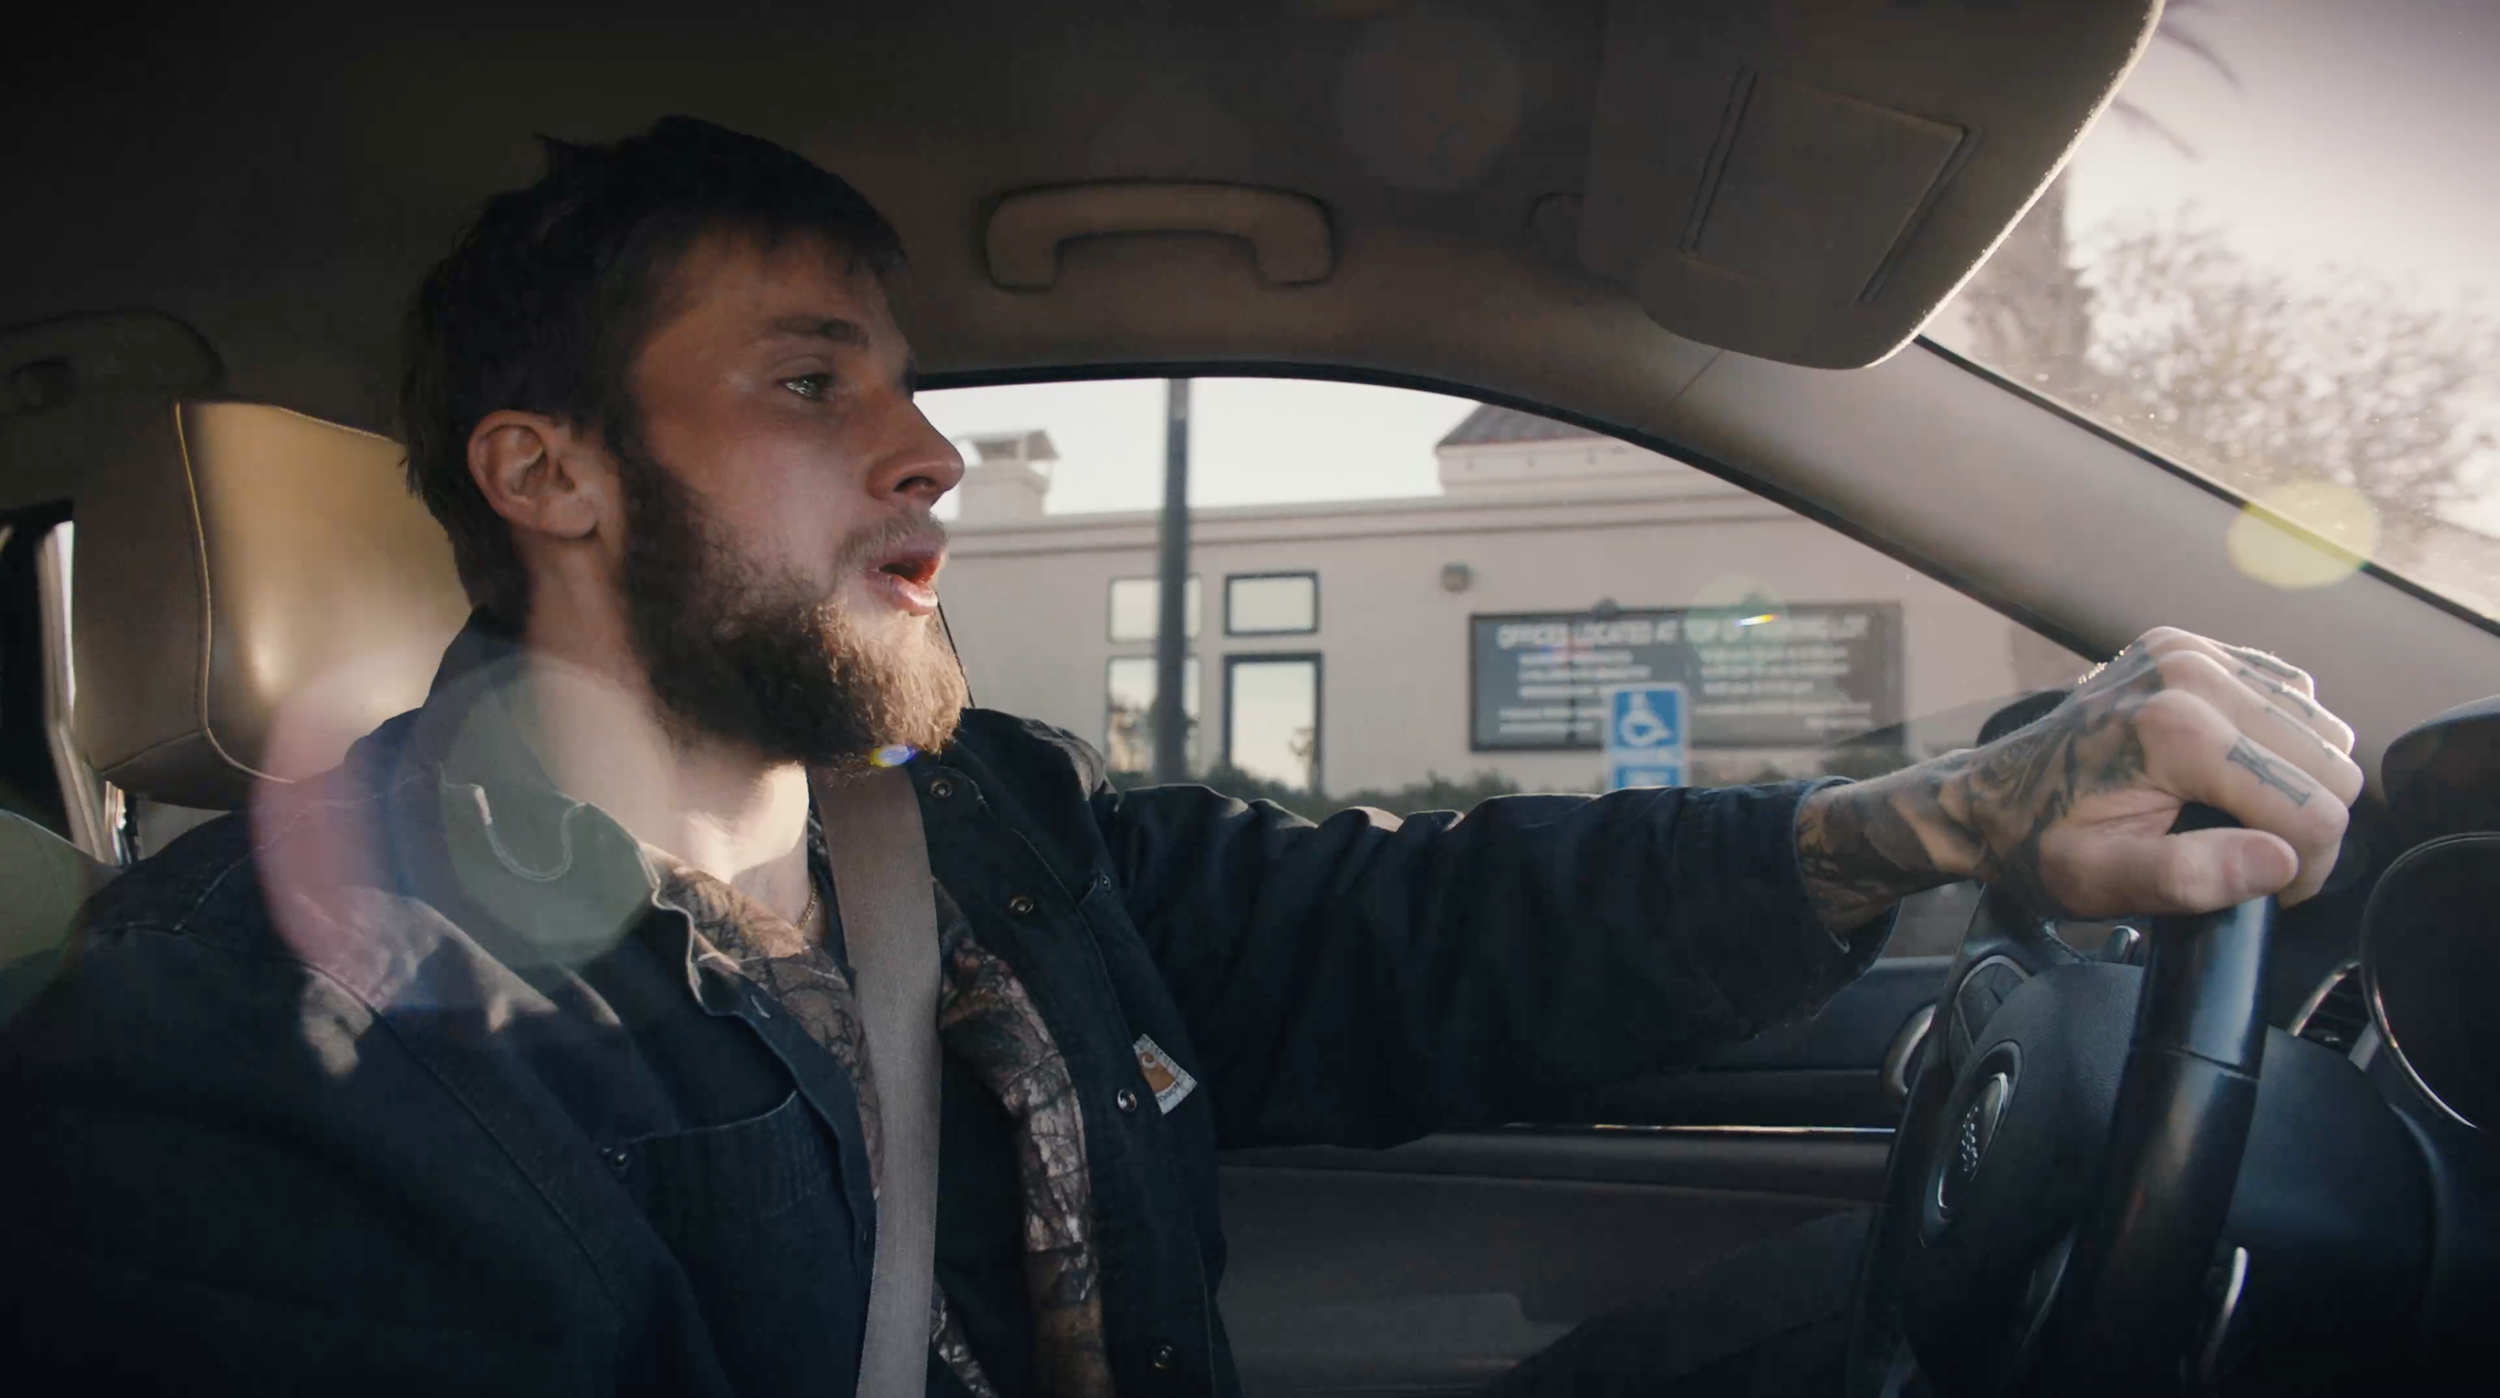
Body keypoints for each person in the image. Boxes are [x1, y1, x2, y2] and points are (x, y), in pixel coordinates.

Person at [0, 117, 2359, 1397]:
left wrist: (1941, 823)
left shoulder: (970, 825)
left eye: (911, 388)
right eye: (813, 382)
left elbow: (1394, 934)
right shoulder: (271, 1045)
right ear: (550, 476)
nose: (930, 454)